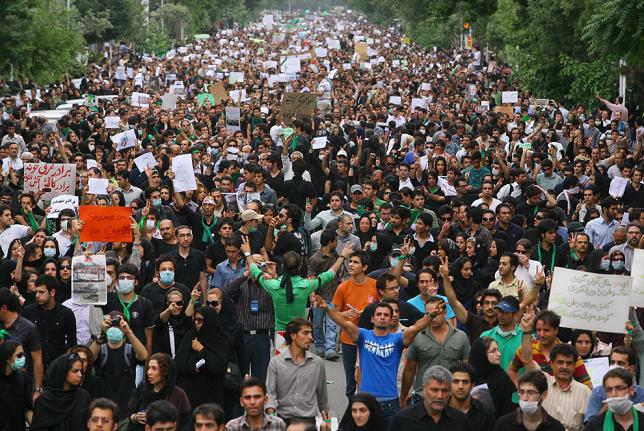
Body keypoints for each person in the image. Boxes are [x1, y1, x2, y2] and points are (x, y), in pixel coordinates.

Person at [315, 295, 433, 419]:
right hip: (366, 401)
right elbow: (344, 324)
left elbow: (416, 328)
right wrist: (327, 309)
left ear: (391, 318)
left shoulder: (398, 339)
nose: (382, 317)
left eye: (386, 315)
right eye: (379, 314)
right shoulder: (363, 336)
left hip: (391, 401)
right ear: (372, 318)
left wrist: (431, 316)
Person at [241, 236, 350, 331]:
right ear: (299, 266)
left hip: (280, 333)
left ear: (283, 266)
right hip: (299, 333)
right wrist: (342, 256)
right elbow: (330, 273)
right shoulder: (307, 285)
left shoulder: (273, 285)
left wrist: (247, 252)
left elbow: (254, 269)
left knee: (282, 356)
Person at [400, 296, 470, 406]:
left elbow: (466, 369)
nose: (432, 317)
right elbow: (409, 370)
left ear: (445, 313)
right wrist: (403, 397)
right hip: (423, 397)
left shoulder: (461, 337)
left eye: (436, 313)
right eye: (428, 314)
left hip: (451, 398)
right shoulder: (418, 336)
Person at [330, 250, 379, 399]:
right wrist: (343, 315)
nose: (351, 264)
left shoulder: (375, 285)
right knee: (351, 381)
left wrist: (365, 312)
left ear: (364, 267)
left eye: (355, 262)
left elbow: (383, 309)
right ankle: (351, 413)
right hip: (348, 340)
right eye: (350, 261)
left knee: (369, 377)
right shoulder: (343, 287)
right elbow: (334, 314)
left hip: (371, 339)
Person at [265, 318, 330, 427]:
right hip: (283, 421)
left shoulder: (317, 363)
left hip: (308, 422)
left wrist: (327, 422)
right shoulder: (276, 363)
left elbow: (322, 398)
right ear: (293, 335)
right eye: (305, 333)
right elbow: (270, 395)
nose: (310, 337)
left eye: (310, 333)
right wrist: (272, 419)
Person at [175, 307, 229, 408]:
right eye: (195, 319)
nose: (196, 323)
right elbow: (179, 363)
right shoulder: (190, 336)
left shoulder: (219, 341)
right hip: (189, 395)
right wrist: (193, 368)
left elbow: (218, 366)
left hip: (211, 395)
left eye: (200, 320)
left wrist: (201, 350)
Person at [389, 365, 469, 430]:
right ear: (424, 389)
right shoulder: (403, 420)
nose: (439, 396)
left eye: (444, 391)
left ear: (450, 392)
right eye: (434, 390)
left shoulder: (459, 420)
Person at [22, 274, 77, 368]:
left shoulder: (66, 314)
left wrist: (65, 362)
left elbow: (71, 342)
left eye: (41, 292)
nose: (37, 295)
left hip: (57, 366)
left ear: (52, 292)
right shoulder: (28, 312)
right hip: (32, 365)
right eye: (36, 292)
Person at [0, 287, 44, 400]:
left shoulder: (29, 328)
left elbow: (37, 361)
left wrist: (37, 390)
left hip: (21, 387)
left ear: (3, 308)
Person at [128, 353, 191, 431]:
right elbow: (129, 414)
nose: (149, 372)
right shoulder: (142, 390)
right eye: (148, 368)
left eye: (154, 368)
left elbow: (186, 423)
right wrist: (135, 417)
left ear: (165, 371)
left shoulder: (178, 394)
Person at [31, 352, 92, 431]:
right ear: (63, 371)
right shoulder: (45, 400)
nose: (80, 375)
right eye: (75, 371)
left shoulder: (83, 396)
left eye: (80, 371)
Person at [495, 370, 564, 431]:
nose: (525, 398)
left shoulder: (556, 428)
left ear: (544, 395)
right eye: (521, 392)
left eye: (531, 392)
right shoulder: (503, 425)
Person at [468, 337, 516, 418]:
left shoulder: (501, 377)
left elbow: (508, 411)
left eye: (497, 349)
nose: (499, 354)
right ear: (481, 354)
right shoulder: (467, 379)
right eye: (493, 351)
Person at [448, 362, 496, 431]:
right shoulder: (439, 410)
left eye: (465, 382)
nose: (460, 386)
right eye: (456, 381)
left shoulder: (486, 414)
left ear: (472, 385)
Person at [0, 340, 34, 431]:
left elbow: (27, 408)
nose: (22, 358)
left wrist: (36, 427)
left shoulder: (22, 378)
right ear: (8, 358)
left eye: (23, 354)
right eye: (19, 355)